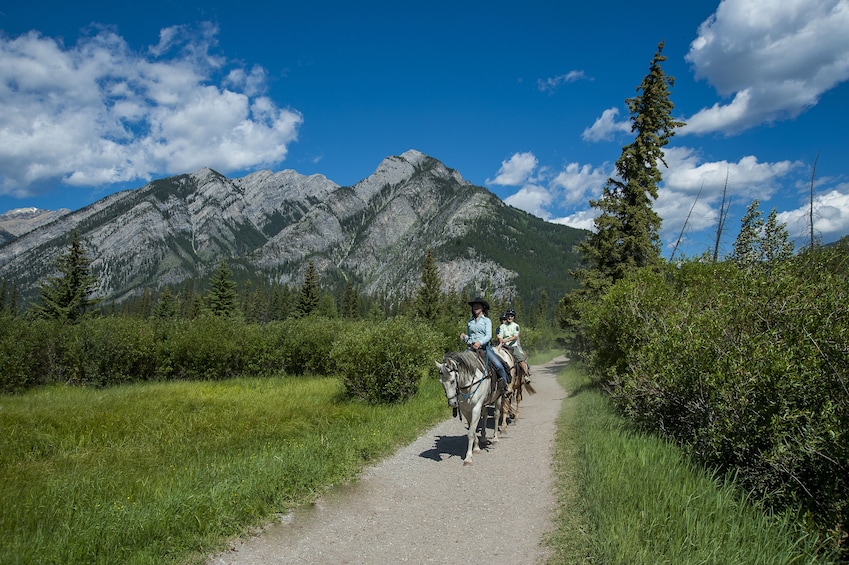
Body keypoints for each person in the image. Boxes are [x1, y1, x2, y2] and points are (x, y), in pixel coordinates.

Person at [459, 297, 511, 393]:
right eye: (474, 305)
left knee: (498, 365)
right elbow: (470, 337)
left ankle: (505, 386)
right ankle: (458, 392)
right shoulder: (470, 322)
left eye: (478, 305)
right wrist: (465, 338)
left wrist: (479, 343)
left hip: (484, 348)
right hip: (471, 348)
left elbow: (488, 336)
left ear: (483, 308)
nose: (476, 307)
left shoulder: (487, 320)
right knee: (459, 365)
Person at [498, 309, 531, 382]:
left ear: (513, 317)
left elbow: (515, 336)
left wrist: (507, 340)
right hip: (504, 346)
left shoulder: (516, 326)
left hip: (513, 346)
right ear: (506, 317)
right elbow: (500, 336)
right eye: (508, 316)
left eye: (511, 316)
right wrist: (501, 341)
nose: (510, 317)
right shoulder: (502, 326)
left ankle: (526, 375)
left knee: (521, 359)